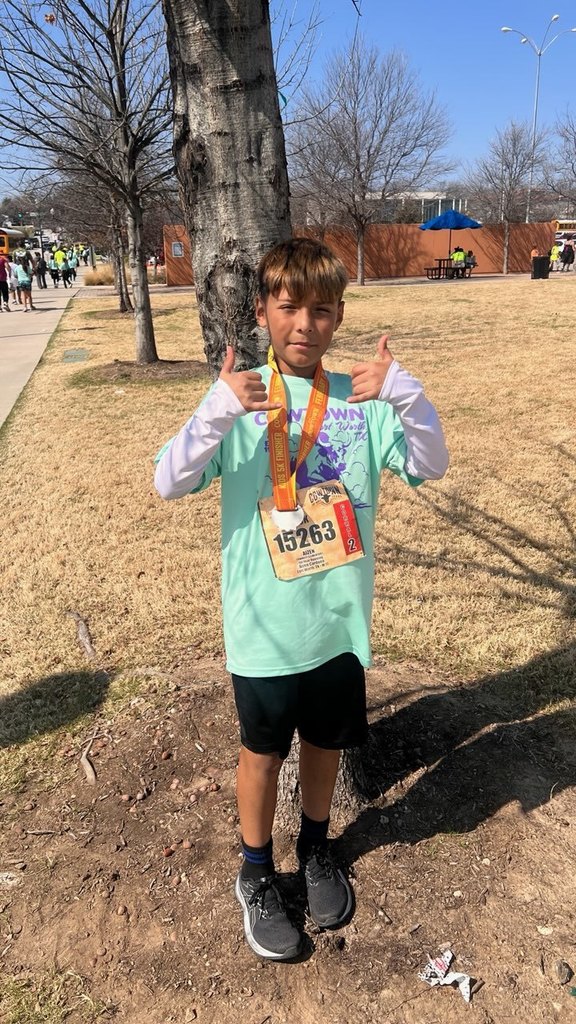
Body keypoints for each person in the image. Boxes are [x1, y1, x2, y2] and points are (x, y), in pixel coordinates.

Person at [153, 238, 449, 961]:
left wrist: (406, 391)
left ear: (338, 316)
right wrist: (218, 410)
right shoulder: (241, 396)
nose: (304, 325)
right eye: (288, 307)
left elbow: (430, 464)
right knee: (262, 754)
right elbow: (168, 480)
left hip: (338, 623)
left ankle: (316, 849)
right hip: (262, 626)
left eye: (321, 310)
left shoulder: (362, 399)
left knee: (324, 745)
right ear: (262, 311)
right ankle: (255, 873)